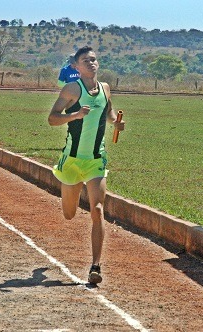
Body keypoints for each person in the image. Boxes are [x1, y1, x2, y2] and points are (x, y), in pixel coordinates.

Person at [48, 46, 125, 284]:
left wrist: (116, 124)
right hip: (71, 161)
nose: (91, 63)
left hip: (96, 160)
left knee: (98, 210)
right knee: (69, 214)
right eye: (85, 60)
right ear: (76, 67)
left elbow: (108, 112)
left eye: (93, 59)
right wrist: (74, 116)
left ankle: (96, 266)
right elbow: (52, 119)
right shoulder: (72, 89)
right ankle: (69, 195)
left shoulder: (105, 89)